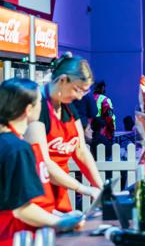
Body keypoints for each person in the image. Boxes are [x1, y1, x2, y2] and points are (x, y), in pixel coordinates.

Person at [0, 78, 82, 245]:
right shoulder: (18, 149)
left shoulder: (8, 143)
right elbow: (21, 209)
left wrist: (60, 215)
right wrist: (60, 222)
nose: (43, 105)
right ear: (28, 109)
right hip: (14, 237)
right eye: (39, 102)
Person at [30, 52, 103, 212]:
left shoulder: (67, 107)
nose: (79, 97)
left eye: (84, 92)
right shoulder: (36, 106)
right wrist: (83, 189)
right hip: (36, 192)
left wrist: (101, 188)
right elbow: (44, 163)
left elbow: (81, 151)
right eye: (77, 90)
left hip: (60, 187)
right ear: (63, 80)